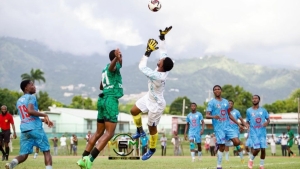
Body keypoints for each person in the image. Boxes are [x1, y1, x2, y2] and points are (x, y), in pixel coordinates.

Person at [129, 26, 174, 161]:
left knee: (151, 126)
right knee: (133, 111)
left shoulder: (157, 76)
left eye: (160, 60)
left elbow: (141, 67)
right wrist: (162, 37)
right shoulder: (163, 67)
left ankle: (152, 149)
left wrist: (147, 52)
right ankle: (139, 131)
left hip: (157, 104)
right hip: (149, 97)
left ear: (161, 65)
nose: (159, 59)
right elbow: (164, 51)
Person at [76, 48, 123, 169]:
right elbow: (112, 67)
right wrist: (116, 58)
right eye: (119, 56)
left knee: (98, 133)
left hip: (102, 99)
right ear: (115, 57)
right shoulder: (112, 67)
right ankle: (90, 159)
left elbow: (101, 86)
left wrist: (117, 59)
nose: (121, 58)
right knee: (109, 133)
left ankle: (82, 159)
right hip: (110, 101)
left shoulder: (104, 70)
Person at [5, 80, 53, 169]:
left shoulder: (19, 101)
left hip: (25, 130)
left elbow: (27, 117)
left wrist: (43, 120)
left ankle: (12, 163)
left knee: (24, 154)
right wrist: (45, 115)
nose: (34, 86)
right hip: (35, 129)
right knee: (46, 151)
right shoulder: (31, 97)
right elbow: (30, 111)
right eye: (32, 85)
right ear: (25, 88)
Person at [206, 85, 248, 169]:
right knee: (222, 146)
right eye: (215, 89)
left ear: (221, 91)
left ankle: (226, 144)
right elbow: (207, 115)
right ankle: (219, 165)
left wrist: (238, 124)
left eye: (218, 89)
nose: (217, 90)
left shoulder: (225, 102)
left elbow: (229, 114)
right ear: (213, 92)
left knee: (237, 141)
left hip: (228, 127)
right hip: (219, 128)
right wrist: (214, 116)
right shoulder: (211, 102)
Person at [246, 95, 270, 169]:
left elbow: (268, 119)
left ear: (259, 100)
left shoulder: (263, 110)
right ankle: (251, 160)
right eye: (253, 98)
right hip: (253, 132)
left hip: (262, 132)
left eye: (256, 98)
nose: (254, 99)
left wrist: (267, 122)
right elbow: (247, 121)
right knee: (257, 149)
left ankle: (261, 165)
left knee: (263, 149)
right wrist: (247, 126)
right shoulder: (249, 110)